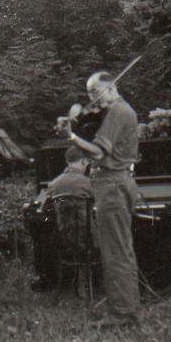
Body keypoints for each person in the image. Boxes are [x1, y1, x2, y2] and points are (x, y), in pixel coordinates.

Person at [60, 71, 140, 327]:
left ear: (111, 87)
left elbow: (96, 151)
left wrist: (71, 137)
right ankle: (126, 309)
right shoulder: (118, 111)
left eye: (95, 92)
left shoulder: (118, 112)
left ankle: (122, 315)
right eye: (89, 94)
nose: (92, 99)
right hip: (115, 183)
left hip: (112, 185)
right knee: (120, 250)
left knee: (115, 252)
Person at [24, 146, 92, 290]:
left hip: (64, 238)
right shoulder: (88, 183)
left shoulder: (53, 184)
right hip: (88, 239)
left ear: (67, 161)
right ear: (84, 162)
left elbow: (39, 202)